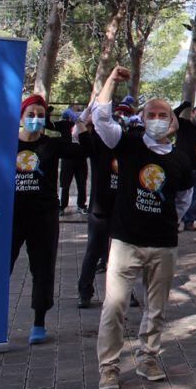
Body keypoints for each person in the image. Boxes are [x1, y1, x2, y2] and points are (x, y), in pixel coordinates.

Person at [92, 66, 194, 389]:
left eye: (163, 114)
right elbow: (101, 120)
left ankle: (149, 357)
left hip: (163, 244)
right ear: (142, 118)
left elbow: (182, 200)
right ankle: (109, 367)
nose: (157, 119)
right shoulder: (129, 144)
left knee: (157, 308)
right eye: (151, 114)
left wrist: (168, 224)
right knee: (115, 306)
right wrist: (110, 82)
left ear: (172, 121)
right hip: (126, 241)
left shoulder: (179, 160)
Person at [12, 94, 82, 344]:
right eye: (30, 114)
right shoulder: (7, 142)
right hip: (11, 217)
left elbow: (84, 150)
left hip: (43, 217)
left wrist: (75, 126)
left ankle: (38, 323)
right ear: (21, 116)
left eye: (40, 115)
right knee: (1, 268)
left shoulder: (50, 145)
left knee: (42, 270)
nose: (35, 119)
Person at [75, 103, 124, 309]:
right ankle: (84, 292)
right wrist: (88, 111)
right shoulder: (95, 144)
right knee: (93, 251)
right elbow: (78, 128)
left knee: (122, 255)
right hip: (100, 209)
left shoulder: (126, 146)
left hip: (122, 209)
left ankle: (124, 293)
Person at [176, 104, 196, 232]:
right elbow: (173, 115)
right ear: (192, 114)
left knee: (194, 199)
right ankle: (176, 222)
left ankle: (189, 222)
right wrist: (183, 105)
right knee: (178, 197)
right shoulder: (183, 124)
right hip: (182, 168)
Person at [56, 105, 89, 214]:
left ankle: (81, 205)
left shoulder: (84, 124)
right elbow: (51, 125)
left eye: (79, 111)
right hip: (67, 159)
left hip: (81, 158)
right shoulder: (64, 124)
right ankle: (61, 206)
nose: (77, 113)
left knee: (82, 183)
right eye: (75, 110)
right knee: (64, 184)